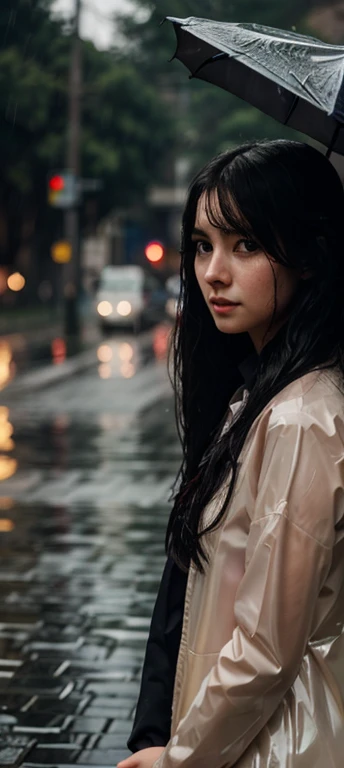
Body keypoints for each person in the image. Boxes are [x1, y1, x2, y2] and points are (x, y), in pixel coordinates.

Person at [118, 139, 344, 768]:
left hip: (281, 745)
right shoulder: (260, 394)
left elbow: (268, 648)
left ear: (309, 255)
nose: (214, 271)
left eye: (246, 245)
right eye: (202, 245)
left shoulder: (302, 417)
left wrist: (177, 758)